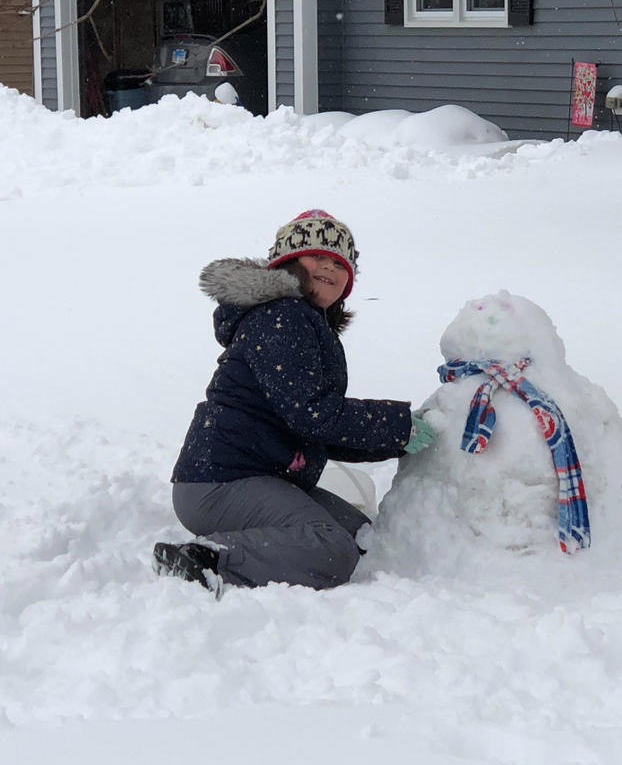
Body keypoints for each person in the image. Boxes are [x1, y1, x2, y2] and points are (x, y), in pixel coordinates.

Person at [154, 209, 435, 594]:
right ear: (287, 262)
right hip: (217, 483)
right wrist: (397, 426)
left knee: (361, 537)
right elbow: (312, 414)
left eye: (340, 262)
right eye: (317, 255)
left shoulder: (304, 322)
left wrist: (397, 437)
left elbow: (314, 428)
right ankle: (207, 558)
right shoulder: (280, 316)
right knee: (331, 549)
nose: (329, 267)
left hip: (260, 477)